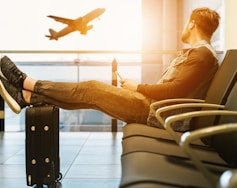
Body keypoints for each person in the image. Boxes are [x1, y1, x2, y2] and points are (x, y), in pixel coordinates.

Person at [0, 7, 220, 131]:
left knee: (92, 89)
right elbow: (176, 89)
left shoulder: (201, 55)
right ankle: (27, 97)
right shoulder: (200, 54)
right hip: (156, 109)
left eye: (186, 24)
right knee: (91, 96)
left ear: (191, 24)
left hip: (157, 113)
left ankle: (26, 83)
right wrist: (138, 88)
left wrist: (139, 87)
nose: (184, 28)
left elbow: (175, 91)